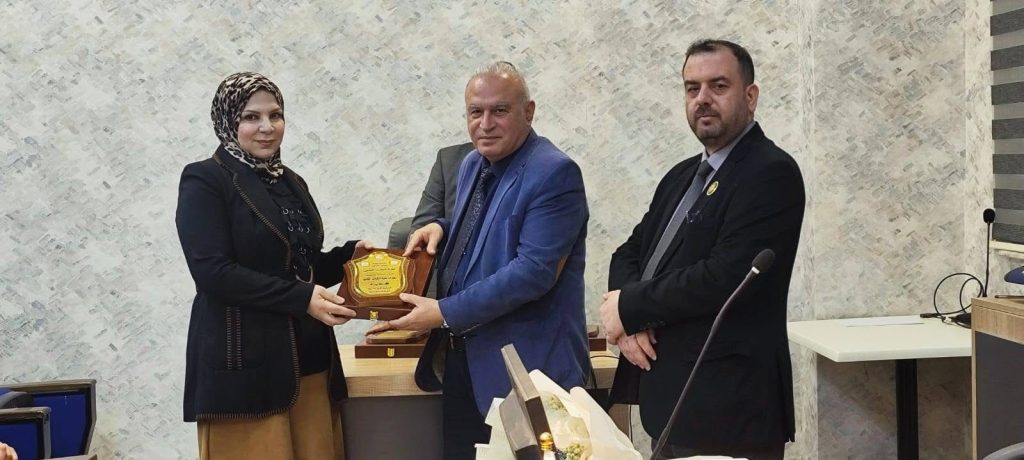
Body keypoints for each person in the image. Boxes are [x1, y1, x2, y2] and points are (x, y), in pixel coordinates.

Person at [368, 62, 590, 459]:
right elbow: (482, 229)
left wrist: (442, 312)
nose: (485, 124)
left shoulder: (555, 172)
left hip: (529, 372)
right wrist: (440, 227)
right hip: (464, 363)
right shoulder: (473, 164)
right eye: (475, 111)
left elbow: (533, 273)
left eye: (499, 110)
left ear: (529, 111)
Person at [599, 39, 805, 460]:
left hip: (728, 408)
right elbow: (630, 252)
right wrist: (628, 317)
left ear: (751, 96)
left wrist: (630, 306)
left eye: (718, 86)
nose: (703, 99)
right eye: (692, 88)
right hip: (672, 401)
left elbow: (724, 276)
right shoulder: (681, 176)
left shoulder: (771, 172)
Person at [176, 72, 370, 460]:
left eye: (275, 115)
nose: (267, 127)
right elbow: (213, 273)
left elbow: (298, 267)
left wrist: (350, 258)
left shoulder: (291, 182)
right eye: (251, 117)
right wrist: (302, 299)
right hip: (247, 373)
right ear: (228, 122)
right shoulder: (205, 179)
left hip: (311, 364)